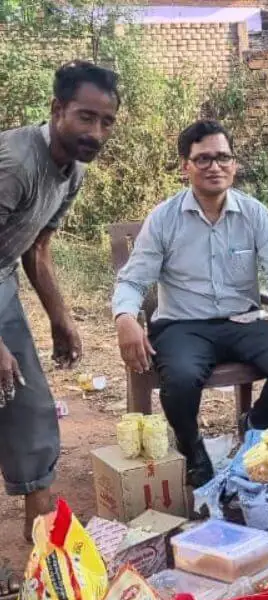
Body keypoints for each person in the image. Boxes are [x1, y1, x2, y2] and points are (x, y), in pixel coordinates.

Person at [113, 120, 268, 488]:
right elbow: (133, 279)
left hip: (242, 320)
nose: (214, 166)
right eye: (203, 158)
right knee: (178, 379)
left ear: (235, 164)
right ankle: (193, 448)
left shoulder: (254, 214)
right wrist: (125, 316)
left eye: (223, 157)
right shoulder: (164, 218)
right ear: (186, 167)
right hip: (182, 325)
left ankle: (255, 429)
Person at [0, 61, 119, 546]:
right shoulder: (14, 164)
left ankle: (43, 538)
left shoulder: (73, 171)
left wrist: (61, 319)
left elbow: (38, 247)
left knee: (27, 399)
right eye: (85, 117)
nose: (95, 131)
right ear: (57, 109)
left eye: (106, 121)